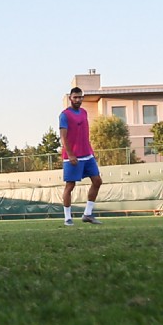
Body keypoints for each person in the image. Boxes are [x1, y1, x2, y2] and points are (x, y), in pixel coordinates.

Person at [59, 86, 101, 225]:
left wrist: (91, 152)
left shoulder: (84, 112)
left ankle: (87, 214)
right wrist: (70, 154)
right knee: (70, 186)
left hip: (87, 155)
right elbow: (63, 137)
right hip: (73, 157)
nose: (78, 100)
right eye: (75, 97)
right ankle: (67, 218)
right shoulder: (64, 115)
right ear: (70, 98)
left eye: (80, 97)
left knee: (97, 181)